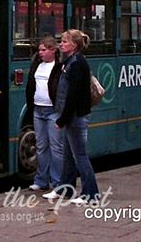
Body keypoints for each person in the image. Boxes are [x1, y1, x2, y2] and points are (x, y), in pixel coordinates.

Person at [44, 29, 99, 204]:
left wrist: (62, 119)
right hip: (71, 116)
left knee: (80, 156)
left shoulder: (77, 64)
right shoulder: (68, 62)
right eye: (61, 41)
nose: (61, 44)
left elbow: (73, 95)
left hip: (75, 117)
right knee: (69, 155)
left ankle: (91, 194)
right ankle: (65, 190)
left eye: (65, 42)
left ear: (74, 46)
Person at [25, 36, 63, 191]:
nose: (40, 53)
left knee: (56, 147)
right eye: (39, 50)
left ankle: (58, 183)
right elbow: (31, 85)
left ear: (53, 50)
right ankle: (41, 180)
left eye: (43, 50)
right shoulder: (37, 65)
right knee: (41, 146)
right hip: (38, 109)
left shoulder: (59, 66)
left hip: (52, 111)